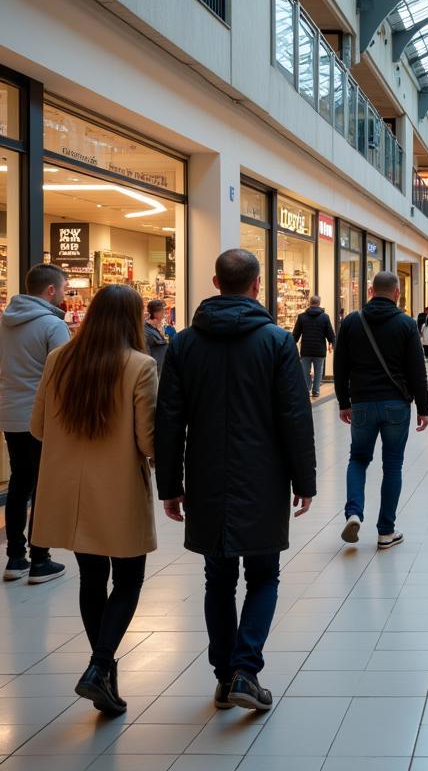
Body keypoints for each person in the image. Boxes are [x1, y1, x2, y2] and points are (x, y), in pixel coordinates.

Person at [156, 249, 316, 713]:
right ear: (257, 285)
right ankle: (247, 668)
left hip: (206, 476)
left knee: (217, 577)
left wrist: (170, 484)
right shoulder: (275, 341)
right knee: (264, 575)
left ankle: (225, 675)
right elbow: (294, 416)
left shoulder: (185, 343)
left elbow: (169, 418)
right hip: (263, 477)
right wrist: (303, 479)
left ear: (214, 282)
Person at [30, 285, 158, 716]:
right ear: (133, 319)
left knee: (90, 578)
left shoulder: (58, 360)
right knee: (128, 579)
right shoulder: (140, 366)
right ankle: (99, 666)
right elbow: (147, 439)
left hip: (68, 490)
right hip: (118, 489)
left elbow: (39, 428)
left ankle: (103, 672)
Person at [335, 271, 428, 549]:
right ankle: (385, 531)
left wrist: (343, 401)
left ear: (370, 291)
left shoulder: (352, 321)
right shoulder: (405, 323)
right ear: (397, 292)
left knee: (358, 459)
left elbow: (340, 366)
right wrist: (423, 407)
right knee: (392, 465)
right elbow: (416, 369)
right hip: (396, 405)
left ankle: (354, 512)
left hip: (362, 403)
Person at [0, 262, 70, 584]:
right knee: (44, 485)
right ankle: (40, 558)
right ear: (51, 290)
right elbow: (64, 377)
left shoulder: (4, 322)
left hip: (10, 413)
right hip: (42, 417)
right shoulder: (52, 325)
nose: (66, 295)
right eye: (65, 289)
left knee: (19, 482)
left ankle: (15, 557)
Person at [291, 294, 335, 398]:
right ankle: (316, 390)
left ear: (310, 303)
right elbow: (330, 333)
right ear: (319, 304)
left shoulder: (302, 317)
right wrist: (332, 342)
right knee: (318, 371)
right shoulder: (325, 317)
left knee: (305, 371)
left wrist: (292, 343)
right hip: (319, 350)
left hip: (306, 349)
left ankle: (306, 389)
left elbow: (296, 333)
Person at [144, 299, 170, 375]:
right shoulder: (146, 331)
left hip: (162, 369)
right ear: (156, 313)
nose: (164, 313)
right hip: (154, 372)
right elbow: (146, 353)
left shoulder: (159, 327)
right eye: (162, 311)